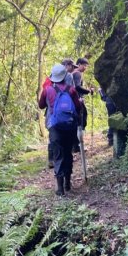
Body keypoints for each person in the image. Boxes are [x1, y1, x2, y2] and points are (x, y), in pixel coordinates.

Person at [38, 63, 81, 196]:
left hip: (55, 127)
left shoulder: (48, 90)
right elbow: (78, 107)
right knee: (68, 153)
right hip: (69, 126)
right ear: (64, 76)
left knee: (58, 155)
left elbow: (41, 105)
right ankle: (68, 184)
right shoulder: (71, 90)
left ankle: (60, 189)